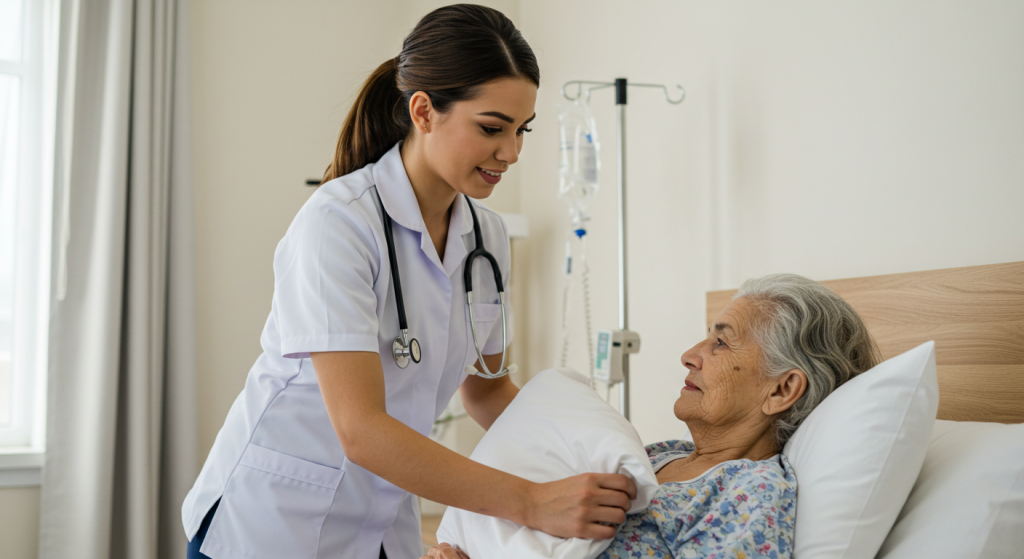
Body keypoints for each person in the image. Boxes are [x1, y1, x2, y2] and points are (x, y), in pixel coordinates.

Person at [181, 5, 636, 559]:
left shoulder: (487, 238)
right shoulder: (338, 222)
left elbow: (487, 390)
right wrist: (531, 502)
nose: (512, 152)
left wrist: (583, 460)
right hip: (273, 523)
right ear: (423, 111)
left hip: (381, 526)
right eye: (492, 128)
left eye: (522, 130)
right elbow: (361, 429)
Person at [424, 273, 881, 559]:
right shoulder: (660, 455)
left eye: (721, 343)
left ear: (782, 390)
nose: (690, 355)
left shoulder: (749, 493)